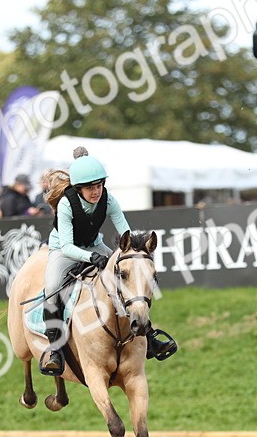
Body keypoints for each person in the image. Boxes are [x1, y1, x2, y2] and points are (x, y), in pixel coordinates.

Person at [39, 147, 178, 376]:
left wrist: (134, 252)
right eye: (90, 188)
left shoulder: (108, 199)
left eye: (99, 186)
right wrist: (91, 257)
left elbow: (126, 234)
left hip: (95, 244)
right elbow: (67, 246)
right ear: (79, 188)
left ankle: (149, 335)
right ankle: (54, 350)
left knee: (128, 276)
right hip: (64, 250)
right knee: (53, 289)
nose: (96, 192)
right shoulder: (66, 205)